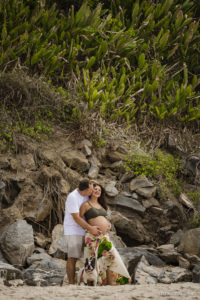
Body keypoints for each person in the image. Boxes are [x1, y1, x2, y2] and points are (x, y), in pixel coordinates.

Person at [80, 183, 131, 285]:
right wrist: (90, 228)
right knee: (95, 258)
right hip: (92, 237)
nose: (97, 191)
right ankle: (96, 281)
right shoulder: (86, 204)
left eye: (99, 190)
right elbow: (79, 219)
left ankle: (112, 282)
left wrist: (108, 224)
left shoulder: (101, 205)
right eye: (95, 189)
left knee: (112, 256)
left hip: (104, 236)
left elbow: (103, 218)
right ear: (90, 191)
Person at [63, 179, 100, 284]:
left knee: (89, 256)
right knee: (72, 257)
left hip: (84, 230)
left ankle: (89, 281)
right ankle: (71, 283)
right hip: (73, 230)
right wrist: (90, 228)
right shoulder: (73, 197)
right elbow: (76, 218)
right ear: (87, 190)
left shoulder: (85, 196)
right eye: (92, 189)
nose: (93, 191)